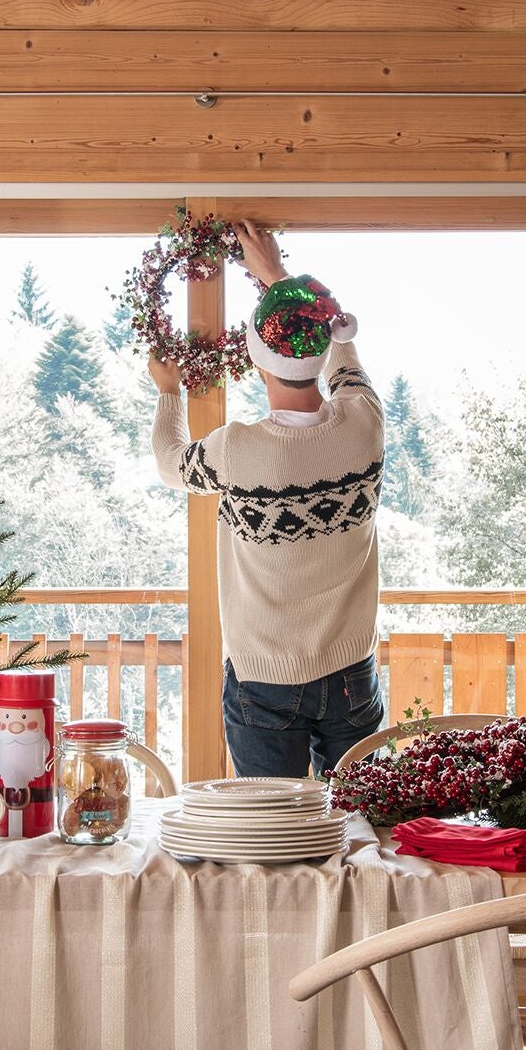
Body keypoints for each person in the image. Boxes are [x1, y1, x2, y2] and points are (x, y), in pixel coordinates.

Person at [149, 221, 385, 778]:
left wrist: (168, 393)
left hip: (264, 680)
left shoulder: (236, 451)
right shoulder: (363, 424)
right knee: (360, 824)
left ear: (254, 361)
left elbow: (169, 462)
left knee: (272, 835)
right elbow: (343, 352)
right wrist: (277, 277)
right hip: (351, 672)